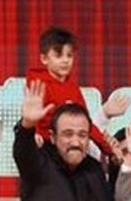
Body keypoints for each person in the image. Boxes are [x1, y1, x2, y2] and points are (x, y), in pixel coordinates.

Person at [24, 26, 116, 158]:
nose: (65, 60)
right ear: (44, 59)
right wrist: (35, 133)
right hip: (45, 148)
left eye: (69, 55)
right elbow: (33, 117)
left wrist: (108, 148)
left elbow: (86, 123)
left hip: (70, 150)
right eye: (58, 55)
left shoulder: (73, 87)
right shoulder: (38, 84)